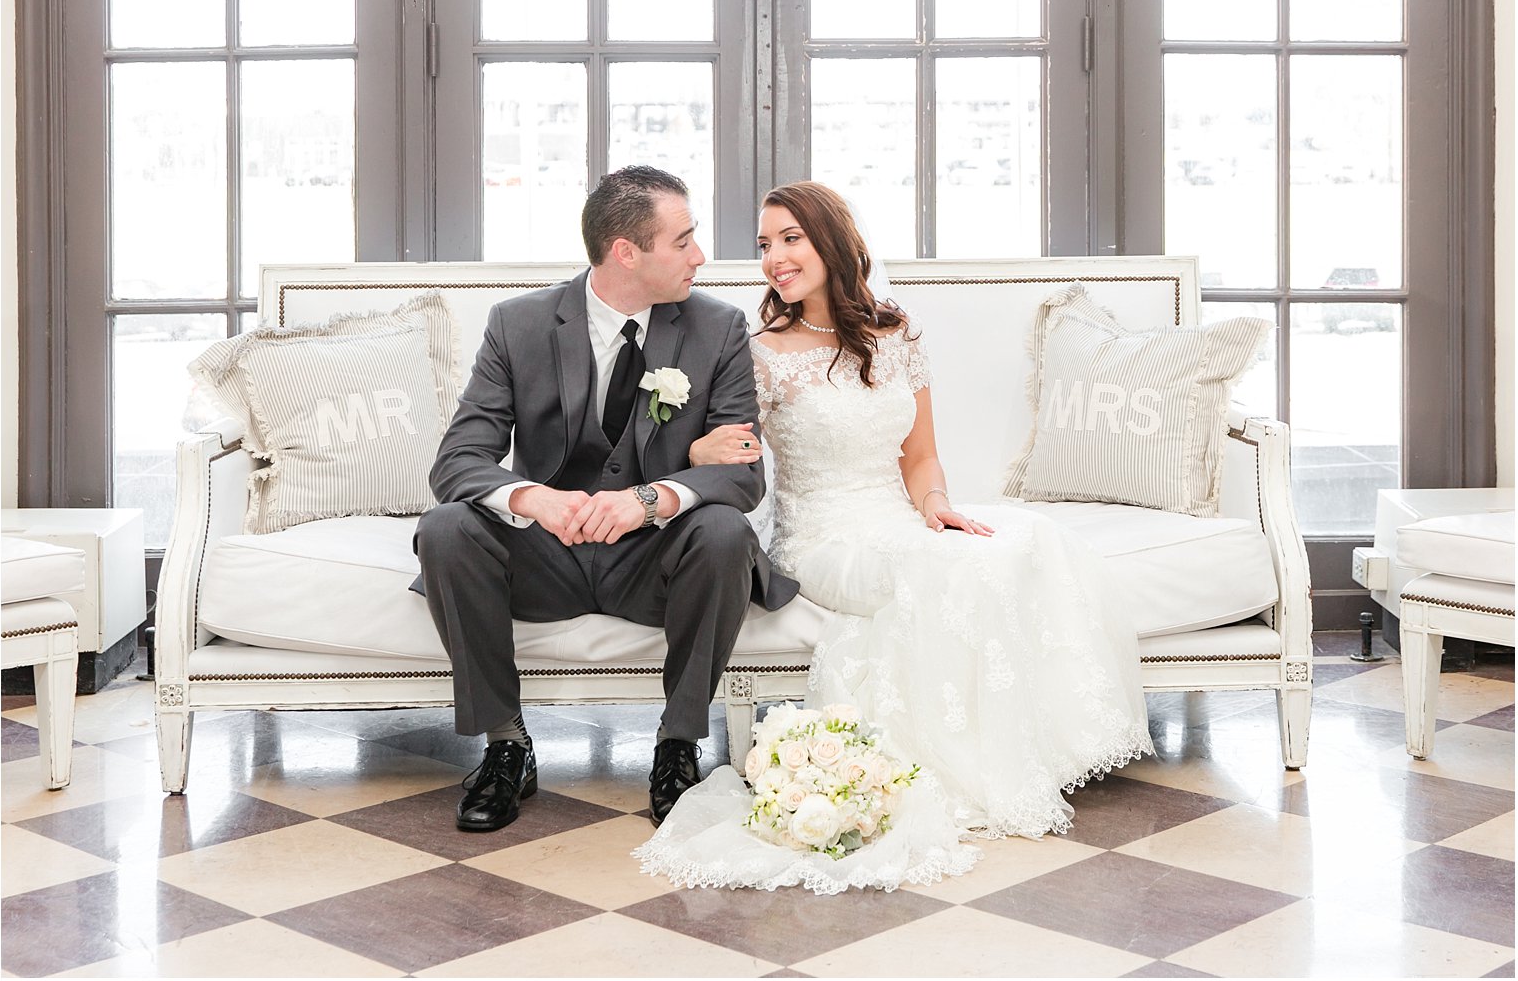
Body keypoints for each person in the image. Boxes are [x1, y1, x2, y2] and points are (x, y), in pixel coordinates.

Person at [688, 181, 1153, 840]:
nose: (775, 258)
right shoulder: (761, 352)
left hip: (899, 518)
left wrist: (936, 507)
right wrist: (703, 446)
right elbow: (732, 447)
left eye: (791, 238)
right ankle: (954, 767)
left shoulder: (895, 333)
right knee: (941, 573)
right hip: (822, 537)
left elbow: (920, 458)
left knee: (1029, 540)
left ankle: (1039, 749)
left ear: (833, 242)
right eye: (765, 244)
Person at [413, 166, 798, 833]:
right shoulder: (519, 326)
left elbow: (741, 476)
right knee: (446, 528)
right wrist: (536, 500)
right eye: (682, 242)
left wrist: (648, 499)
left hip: (653, 562)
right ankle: (506, 746)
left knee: (725, 534)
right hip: (546, 560)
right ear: (627, 251)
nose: (699, 257)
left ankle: (677, 747)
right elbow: (457, 463)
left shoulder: (717, 330)